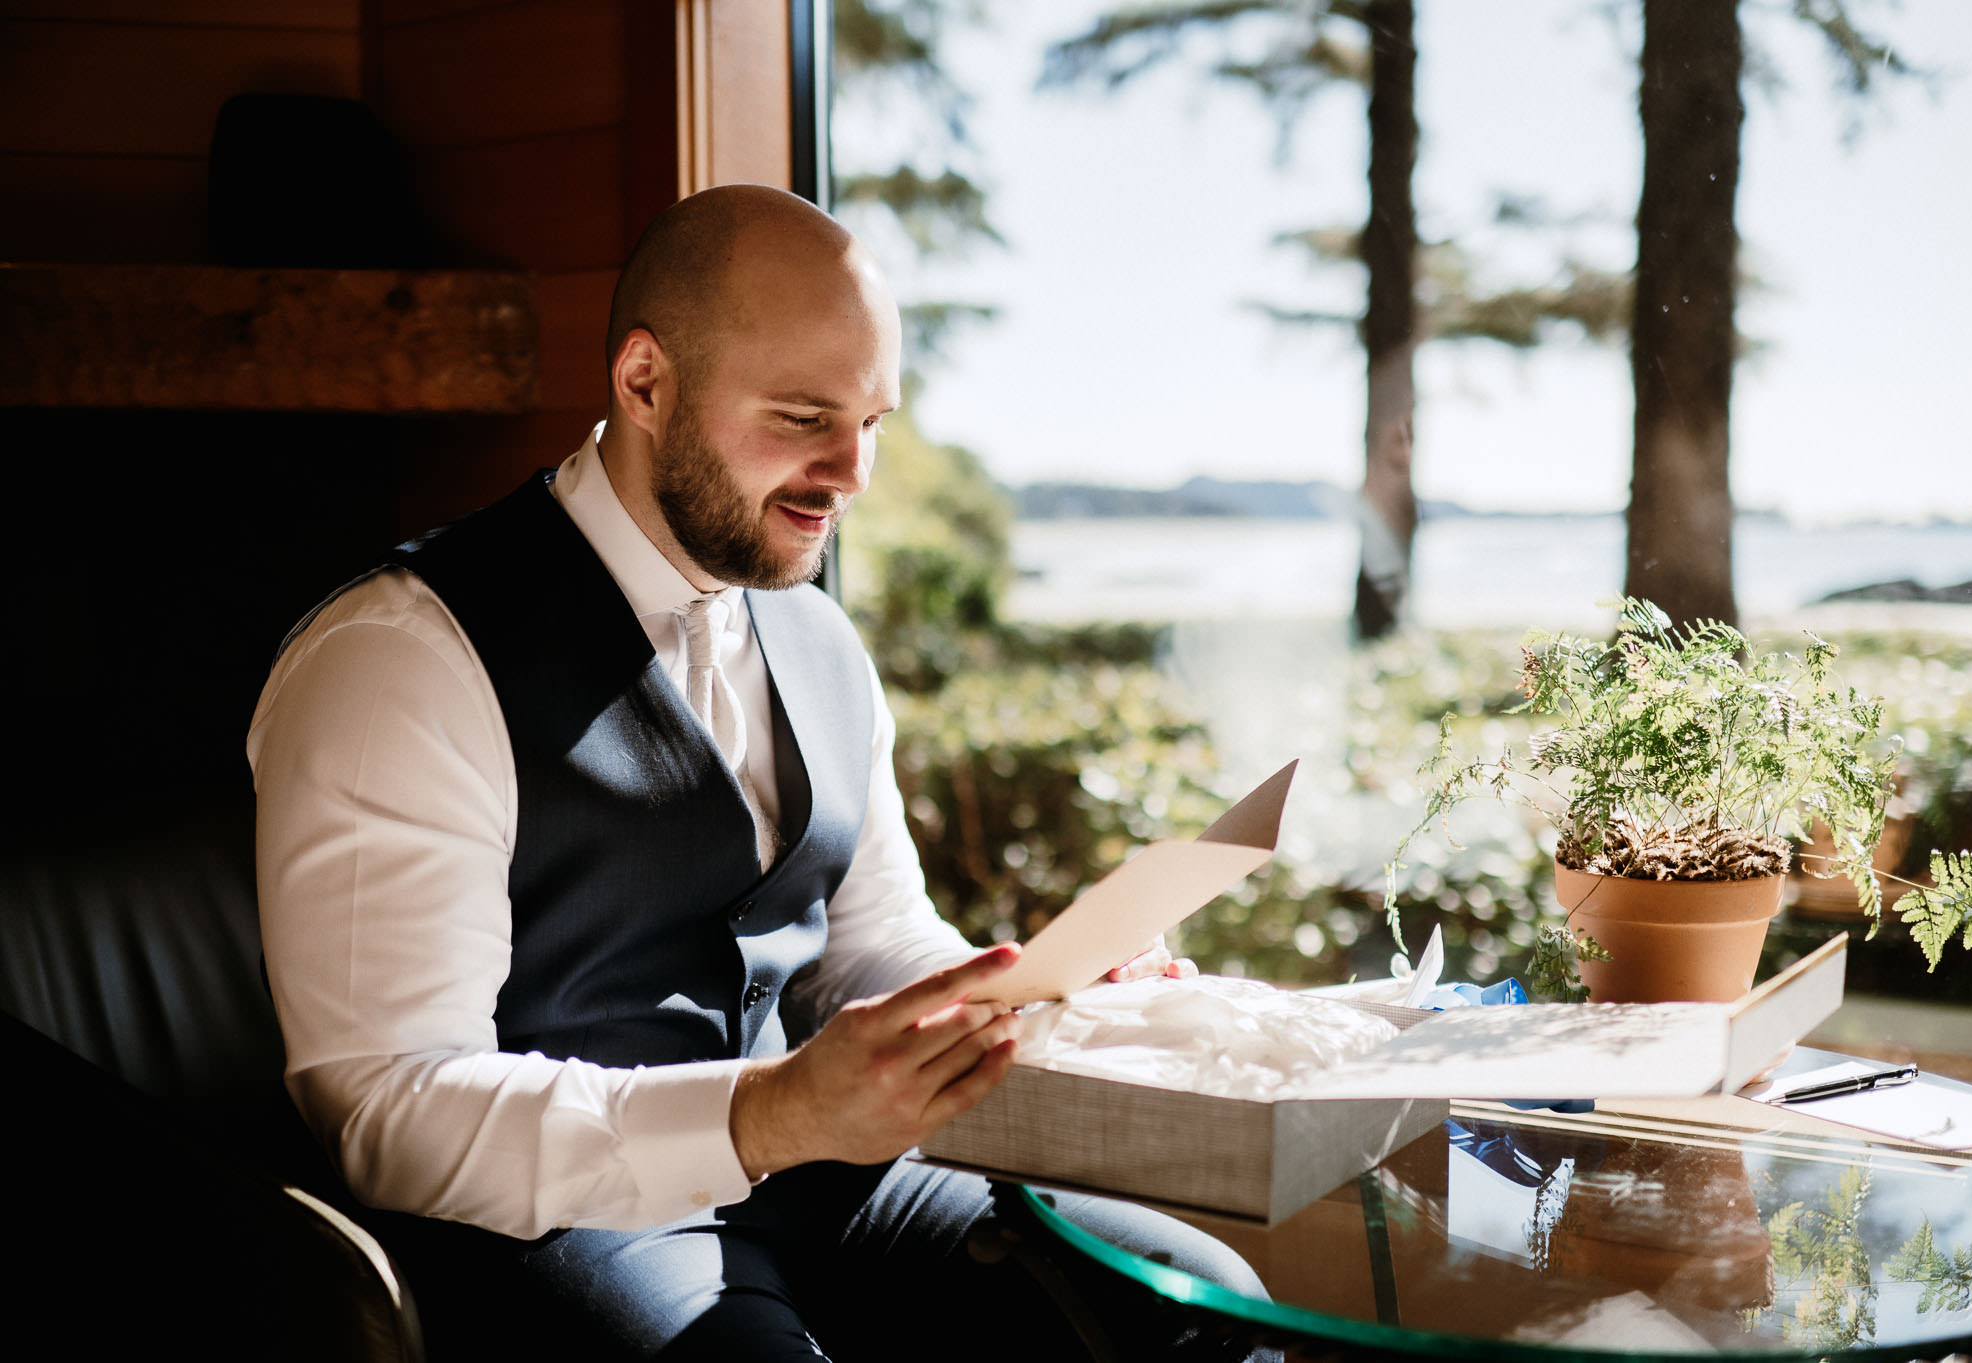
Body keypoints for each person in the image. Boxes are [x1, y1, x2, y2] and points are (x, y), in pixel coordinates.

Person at [249, 184, 1273, 1361]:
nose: (850, 472)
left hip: (814, 1179)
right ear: (643, 382)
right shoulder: (399, 658)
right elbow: (388, 1109)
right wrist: (769, 1109)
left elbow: (874, 948)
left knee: (1193, 1298)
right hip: (552, 1221)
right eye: (801, 418)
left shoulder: (820, 641)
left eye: (873, 420)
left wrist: (1045, 1006)